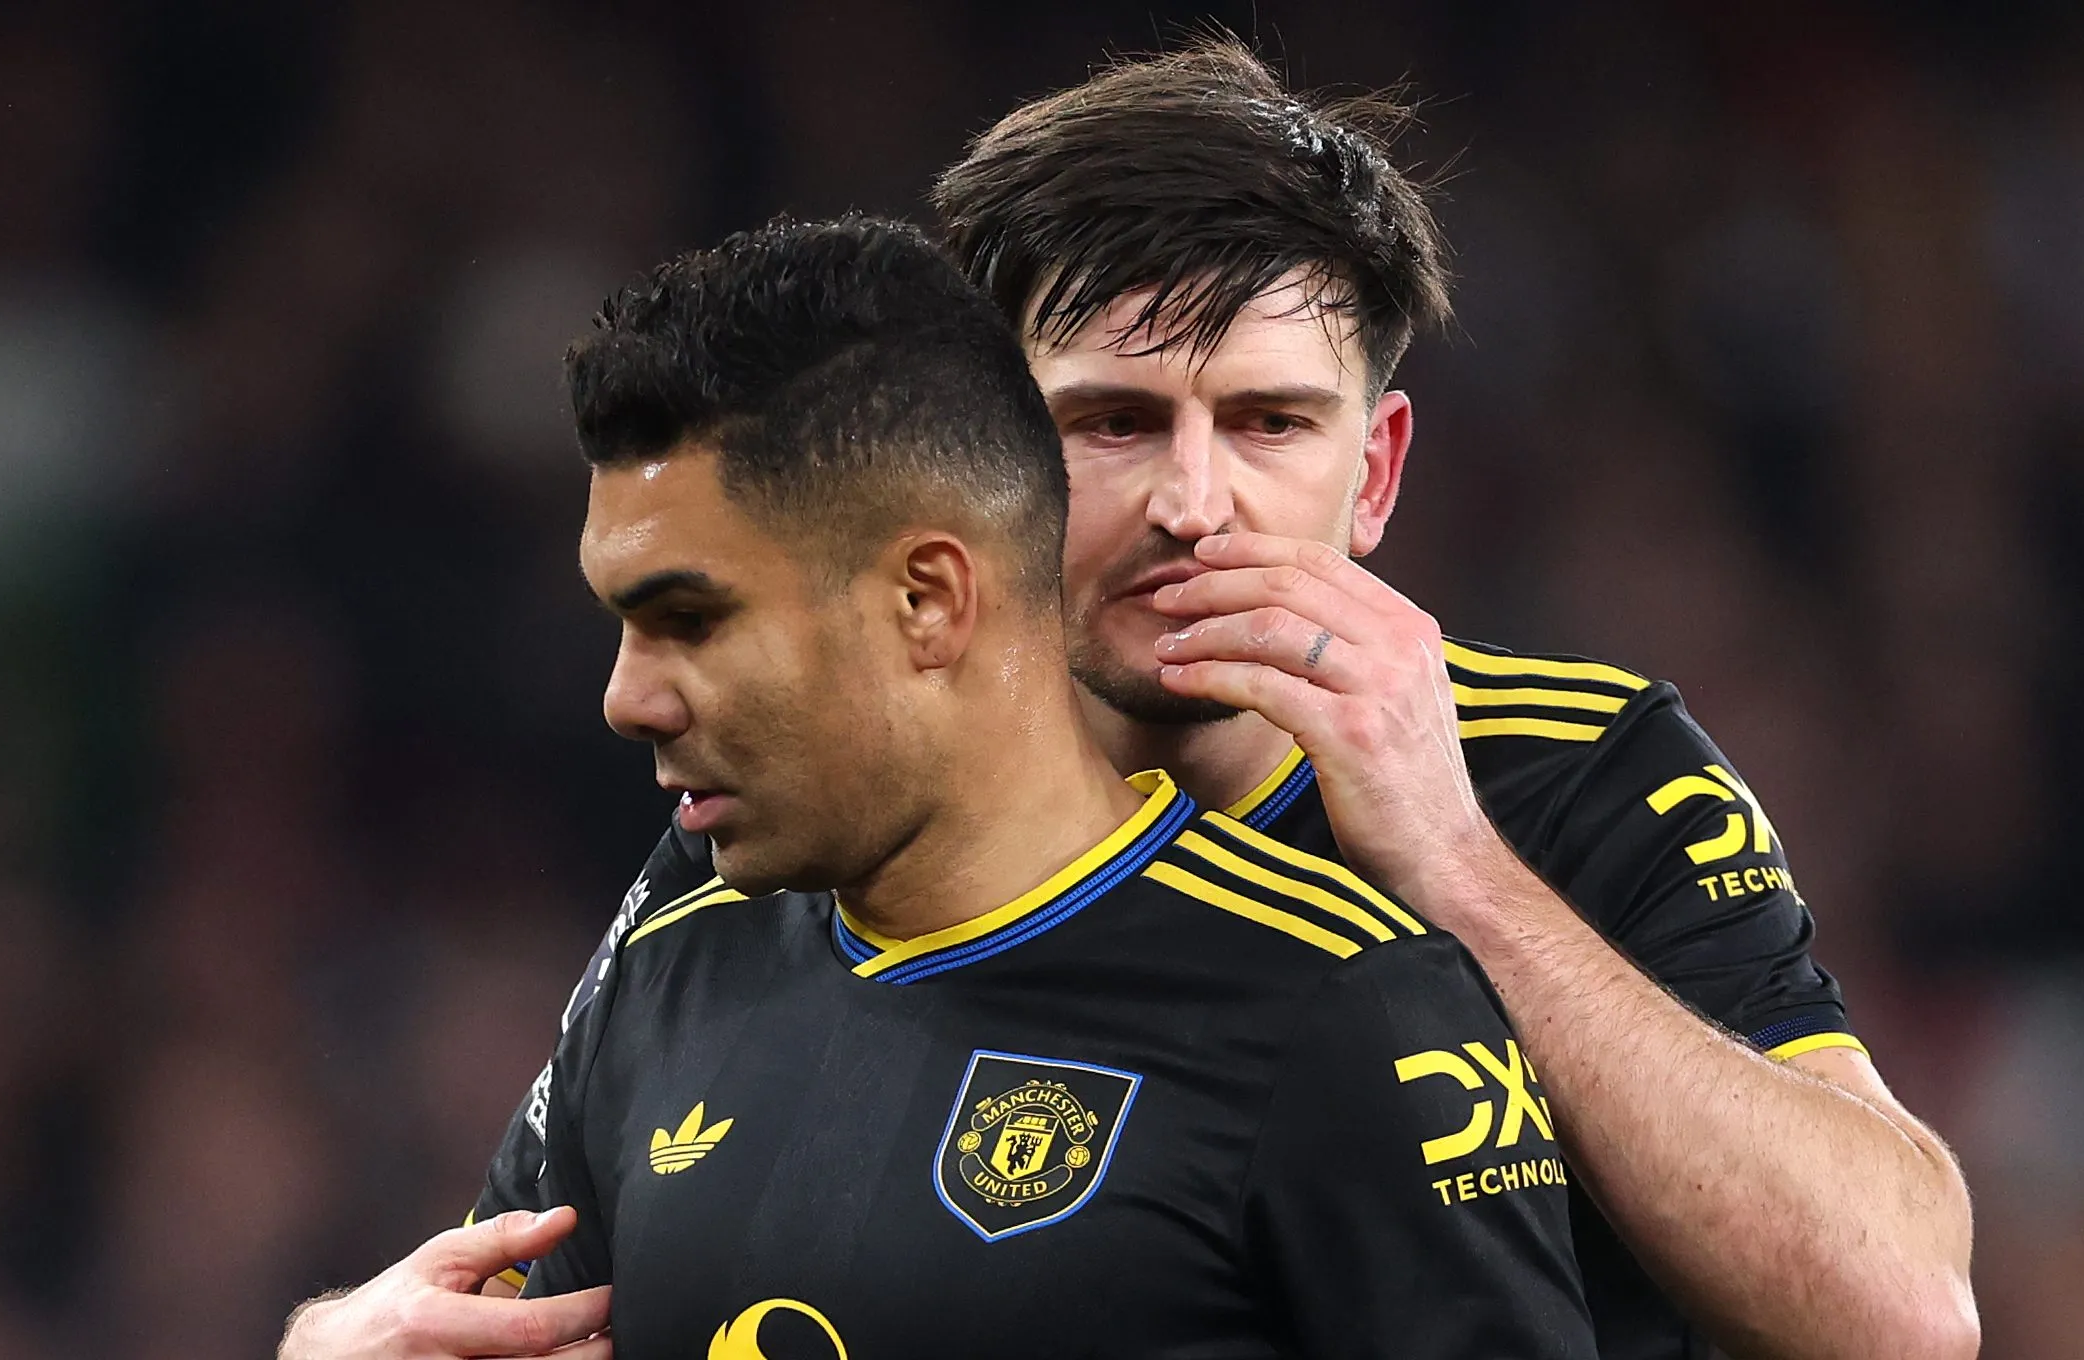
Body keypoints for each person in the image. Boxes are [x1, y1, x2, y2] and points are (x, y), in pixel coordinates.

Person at [290, 35, 1979, 1360]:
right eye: (1110, 421)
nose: (1193, 502)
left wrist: (1461, 872)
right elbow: (513, 1292)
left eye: (1267, 423)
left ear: (1373, 471)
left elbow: (1900, 1316)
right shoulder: (804, 816)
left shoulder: (1578, 775)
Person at [284, 215, 1594, 1358]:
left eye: (689, 620)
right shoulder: (669, 966)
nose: (629, 696)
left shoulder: (1338, 1007)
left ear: (926, 600)